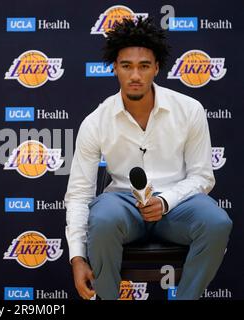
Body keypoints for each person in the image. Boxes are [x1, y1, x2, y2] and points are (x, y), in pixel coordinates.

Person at [64, 17, 232, 300]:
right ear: (115, 68)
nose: (135, 75)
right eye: (126, 66)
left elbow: (203, 176)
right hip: (123, 206)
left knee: (217, 222)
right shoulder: (96, 122)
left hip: (178, 205)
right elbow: (79, 194)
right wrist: (77, 258)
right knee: (102, 218)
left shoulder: (189, 110)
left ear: (156, 68)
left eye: (144, 66)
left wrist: (165, 202)